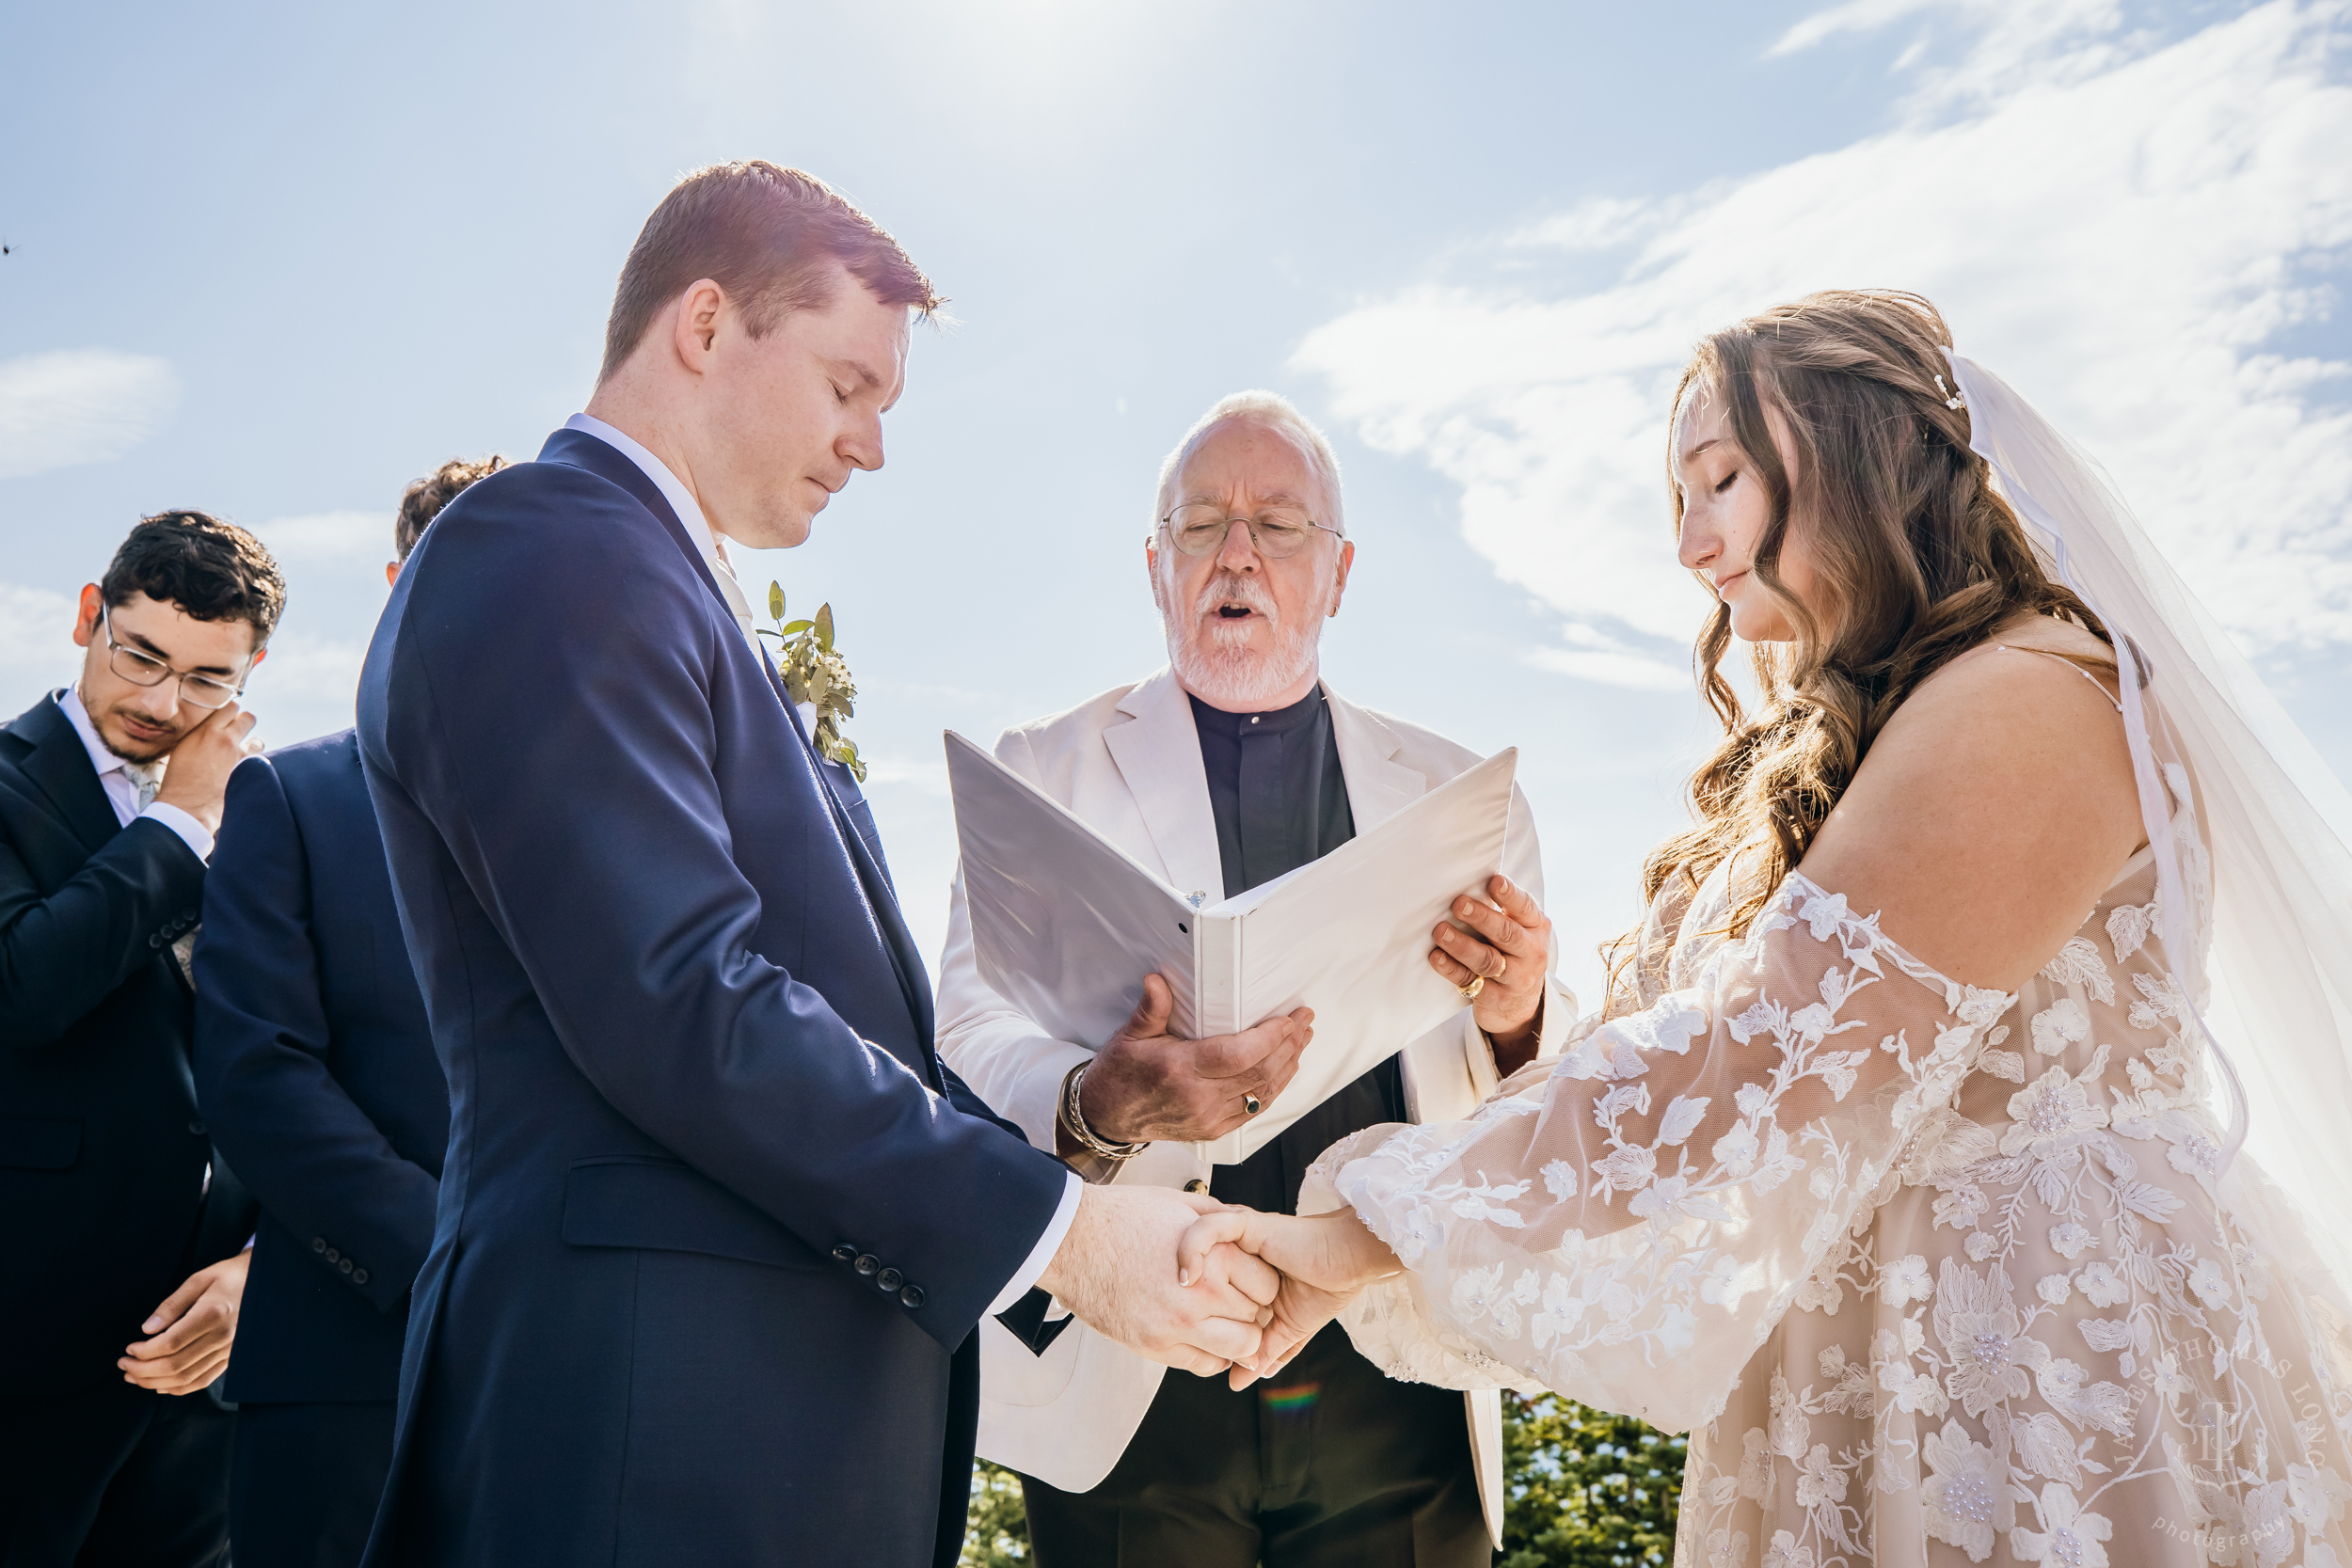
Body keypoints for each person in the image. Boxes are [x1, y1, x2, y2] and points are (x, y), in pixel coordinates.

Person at [1182, 291, 2352, 1566]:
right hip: (1858, 1366)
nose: (1690, 543)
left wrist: (1357, 1229)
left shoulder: (2037, 695)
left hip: (2037, 1373)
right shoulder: (1877, 731)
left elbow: (1753, 1061)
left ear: (1847, 451)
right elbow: (1666, 1074)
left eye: (1719, 479)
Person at [352, 161, 1280, 1568]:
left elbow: (834, 1027)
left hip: (750, 1430)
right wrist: (1071, 1237)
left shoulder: (651, 576)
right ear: (708, 324)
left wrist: (1092, 1112)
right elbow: (681, 1000)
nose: (872, 447)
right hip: (643, 1434)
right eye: (851, 386)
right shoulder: (548, 545)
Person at [937, 390, 1579, 1565]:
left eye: (1277, 525)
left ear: (1336, 572)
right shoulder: (1038, 769)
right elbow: (968, 1022)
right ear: (1155, 564)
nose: (1237, 552)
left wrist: (1519, 1012)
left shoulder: (1465, 797)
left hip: (1395, 1380)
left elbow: (1543, 1085)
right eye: (1202, 523)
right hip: (1134, 1372)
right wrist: (1097, 1101)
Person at [193, 458, 499, 1568]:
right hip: (344, 1379)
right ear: (396, 579)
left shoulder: (630, 816)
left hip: (572, 1386)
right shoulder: (291, 795)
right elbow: (254, 1075)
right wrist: (454, 1265)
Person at [0, 512, 282, 1566]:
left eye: (210, 679)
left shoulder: (276, 817)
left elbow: (294, 1054)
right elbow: (25, 983)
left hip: (207, 1373)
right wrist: (179, 824)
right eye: (142, 656)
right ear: (89, 616)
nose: (167, 704)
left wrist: (261, 1261)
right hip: (26, 1351)